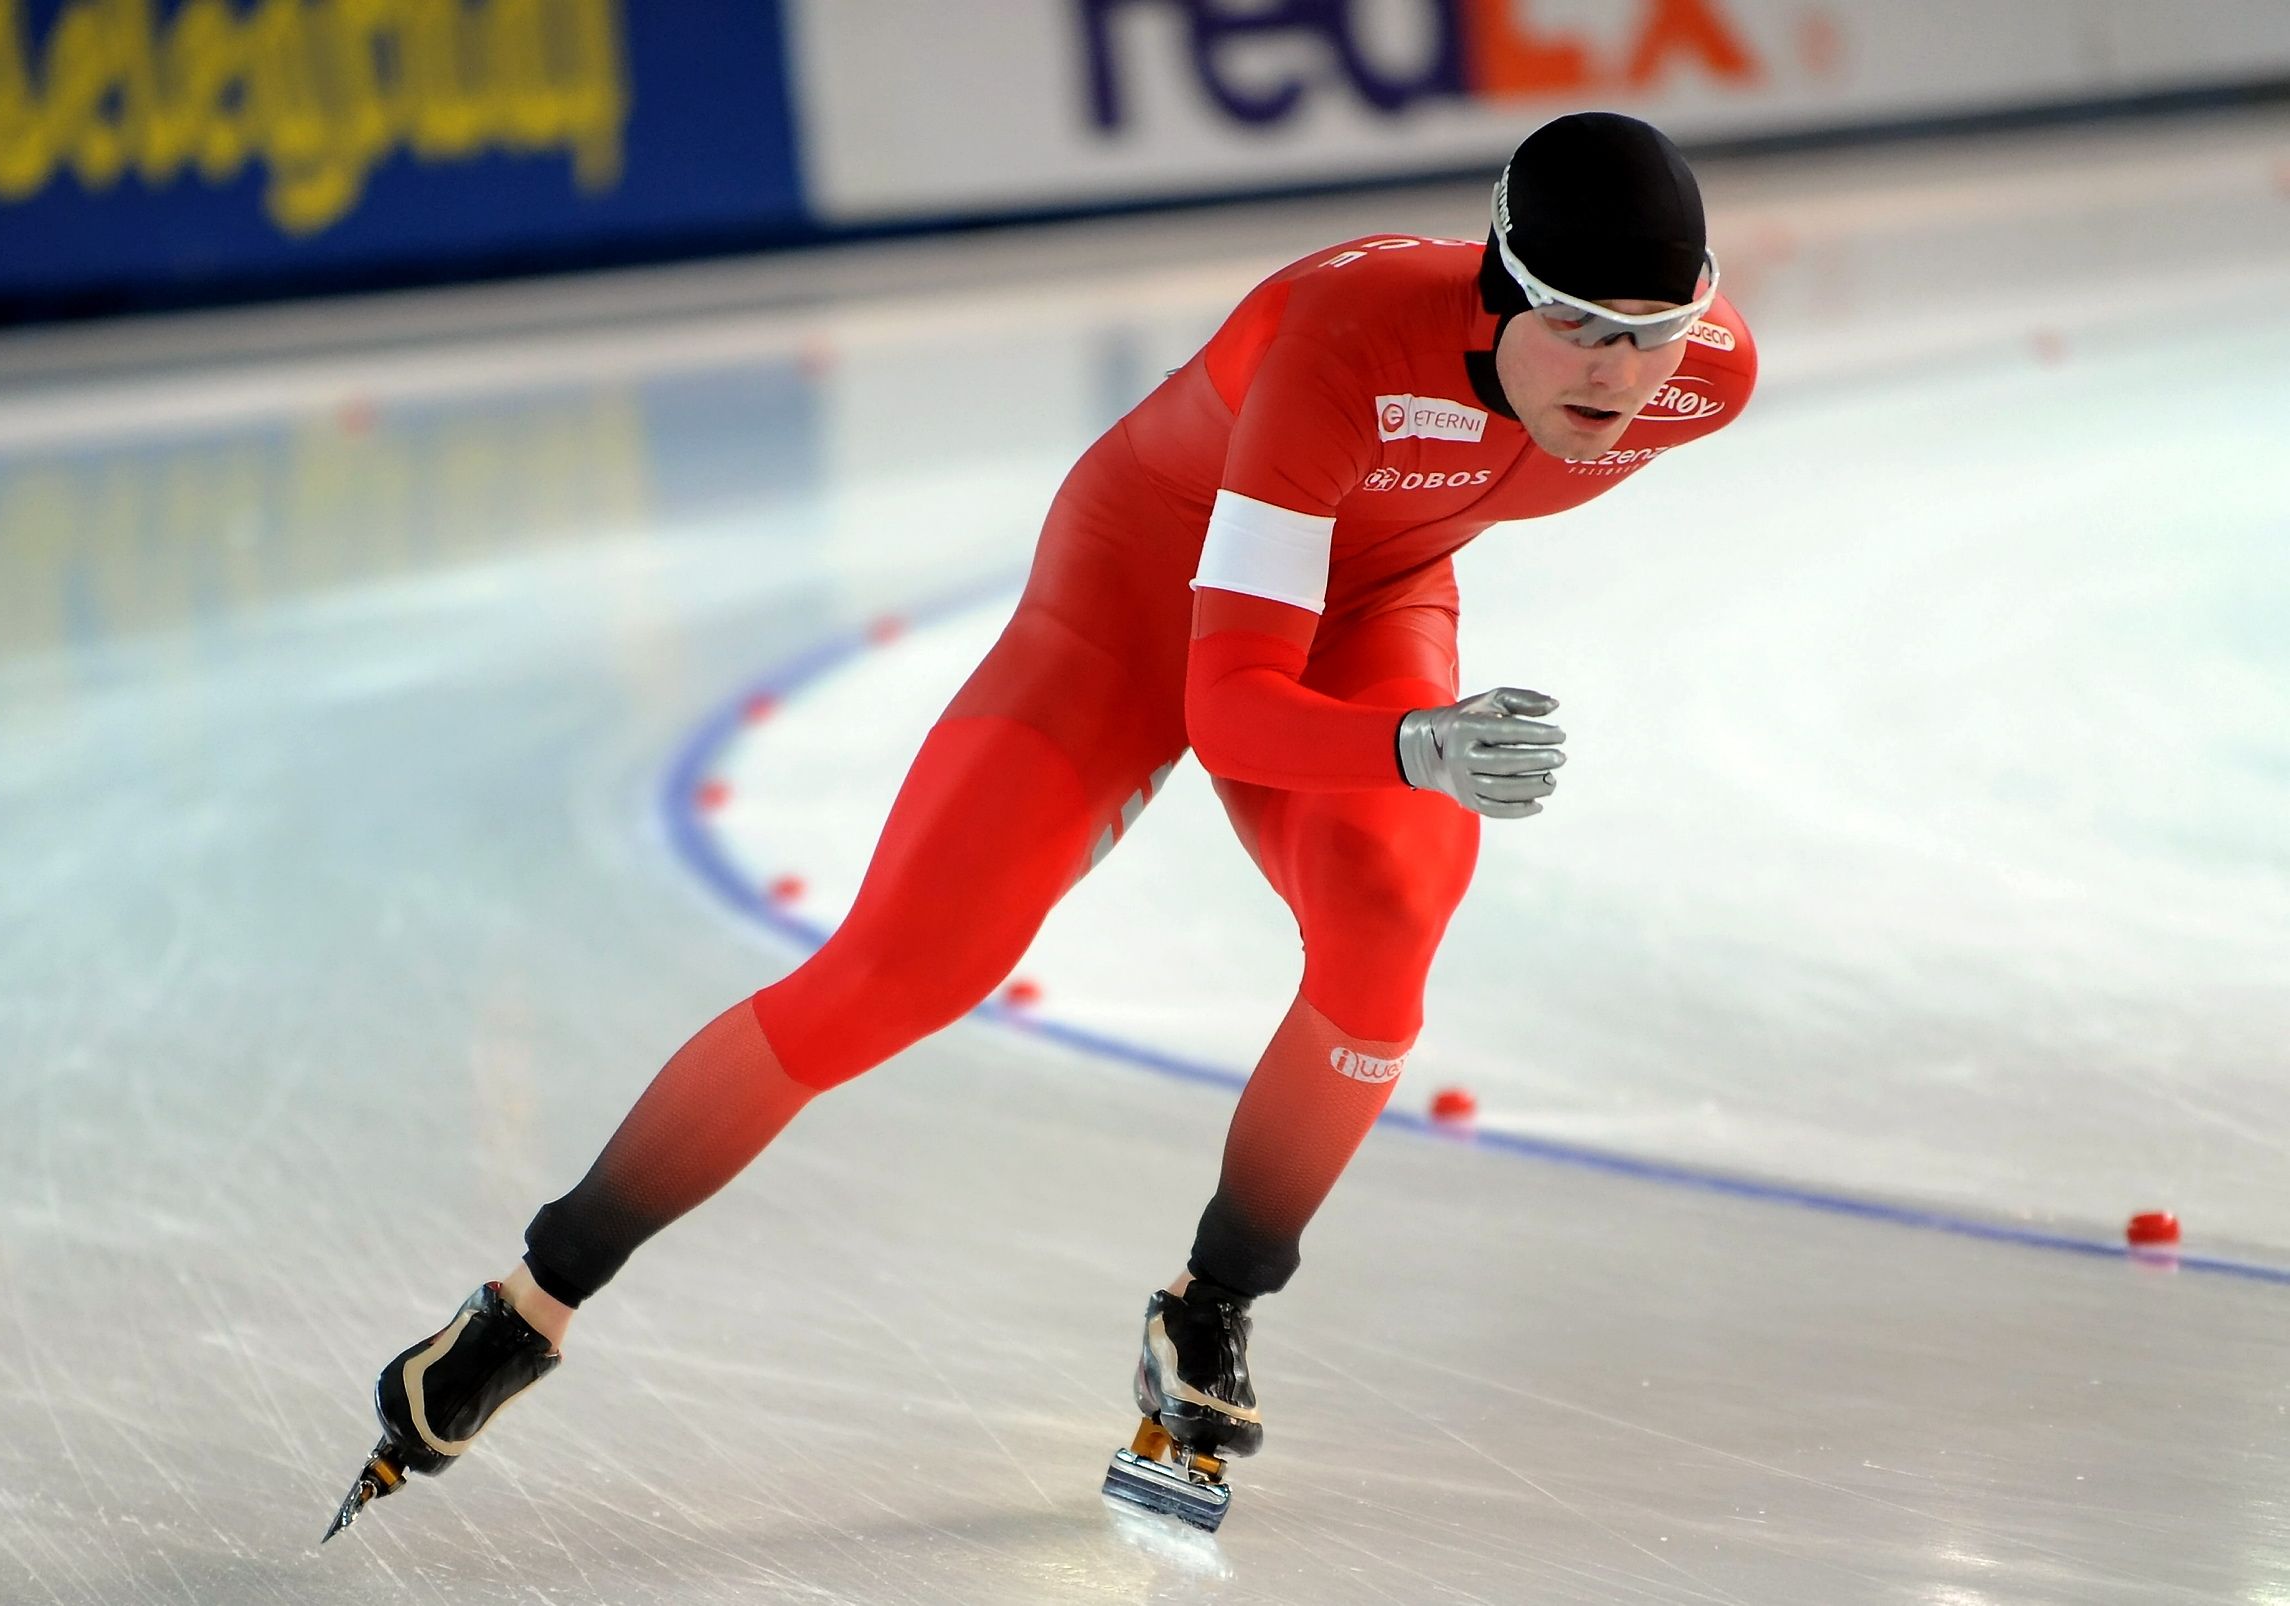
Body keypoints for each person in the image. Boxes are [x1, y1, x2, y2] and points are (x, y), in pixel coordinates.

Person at [326, 108, 1757, 1540]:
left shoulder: (1707, 382)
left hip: (1368, 599)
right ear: (1500, 291)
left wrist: (1400, 729)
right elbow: (1231, 710)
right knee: (898, 972)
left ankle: (1209, 1307)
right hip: (1137, 599)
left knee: (1385, 935)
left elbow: (1508, 462)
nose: (1617, 374)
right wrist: (1411, 744)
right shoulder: (1344, 343)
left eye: (1652, 334)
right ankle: (531, 1300)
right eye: (1578, 328)